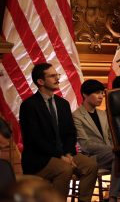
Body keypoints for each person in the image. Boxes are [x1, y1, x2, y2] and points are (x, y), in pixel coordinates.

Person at [19, 63, 98, 201]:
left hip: (64, 154)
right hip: (40, 158)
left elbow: (70, 132)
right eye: (52, 76)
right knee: (65, 169)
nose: (57, 78)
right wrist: (61, 156)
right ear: (40, 81)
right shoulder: (29, 105)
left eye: (57, 75)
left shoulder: (63, 103)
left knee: (91, 165)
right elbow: (35, 139)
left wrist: (67, 153)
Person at [73, 79, 120, 202]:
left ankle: (116, 197)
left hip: (110, 155)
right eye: (97, 93)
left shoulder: (103, 114)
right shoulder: (76, 115)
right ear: (85, 94)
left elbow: (111, 137)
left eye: (102, 93)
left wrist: (114, 148)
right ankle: (113, 197)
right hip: (90, 157)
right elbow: (85, 145)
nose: (101, 96)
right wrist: (113, 149)